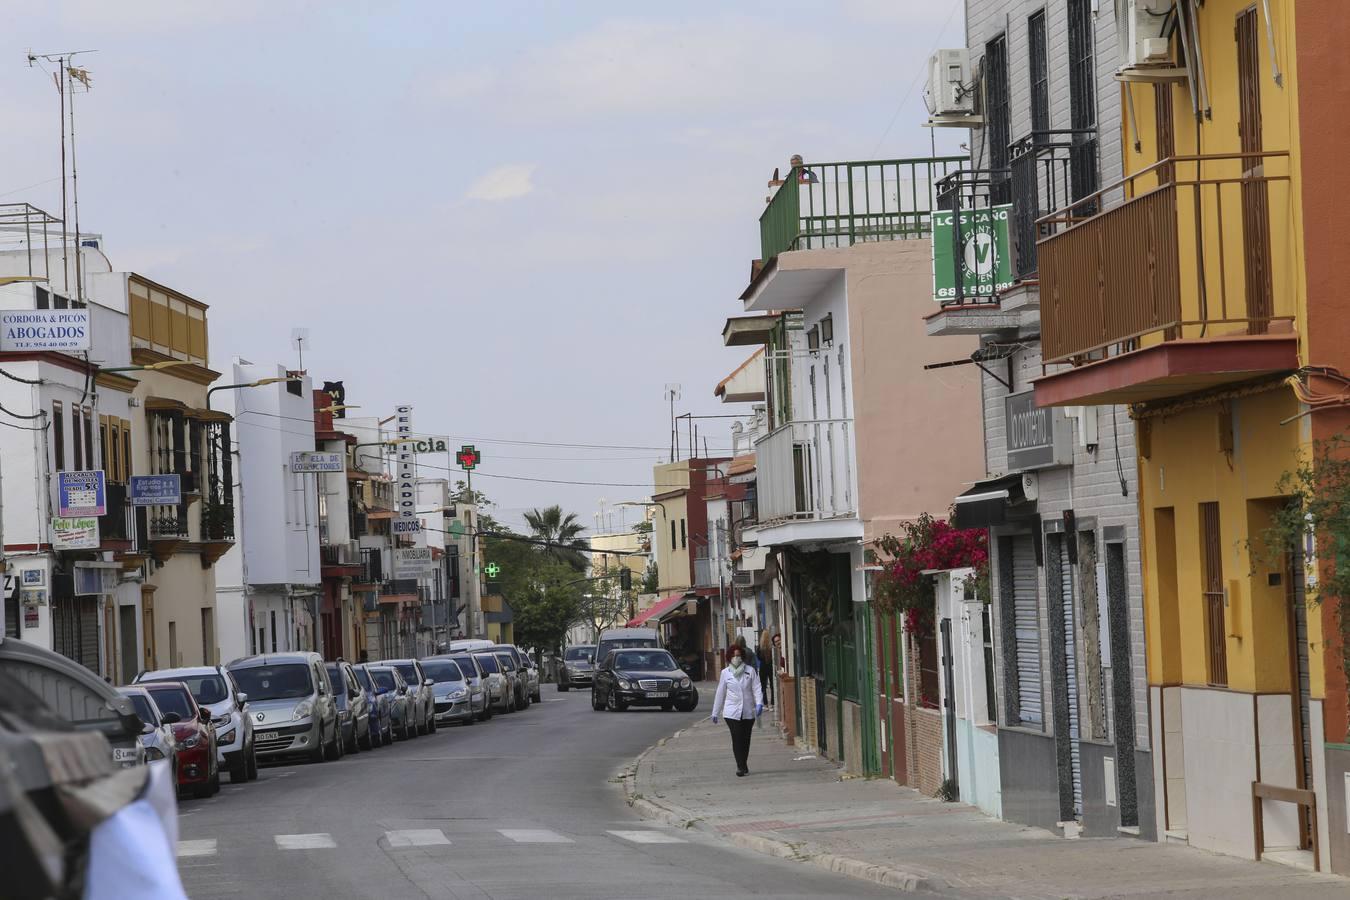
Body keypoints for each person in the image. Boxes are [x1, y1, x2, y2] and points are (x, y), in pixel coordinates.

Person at [710, 645, 764, 777]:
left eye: (739, 655)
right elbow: (720, 693)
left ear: (743, 657)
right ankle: (740, 766)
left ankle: (744, 763)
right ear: (729, 657)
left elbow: (757, 688)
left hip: (747, 711)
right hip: (731, 712)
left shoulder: (750, 671)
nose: (736, 658)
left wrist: (759, 704)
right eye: (734, 656)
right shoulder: (725, 673)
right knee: (737, 737)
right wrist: (715, 712)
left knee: (746, 739)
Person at [758, 629, 775, 709]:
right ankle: (772, 704)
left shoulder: (760, 647)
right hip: (770, 667)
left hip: (762, 667)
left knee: (763, 686)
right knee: (772, 685)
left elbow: (758, 657)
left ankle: (765, 704)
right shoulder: (771, 646)